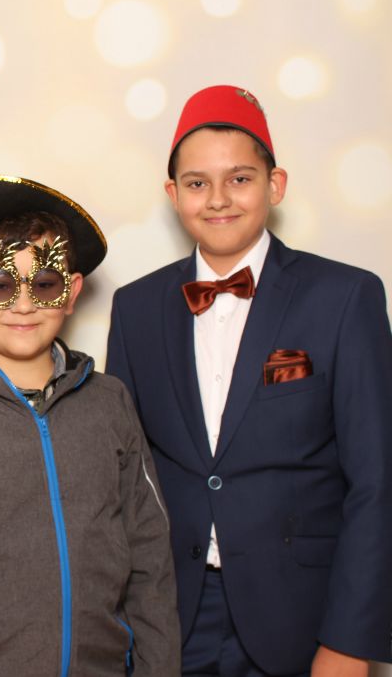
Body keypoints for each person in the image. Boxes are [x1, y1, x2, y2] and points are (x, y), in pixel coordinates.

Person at [106, 85, 392, 676]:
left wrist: (350, 641)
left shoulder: (345, 297)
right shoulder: (135, 308)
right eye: (196, 183)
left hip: (305, 617)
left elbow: (377, 481)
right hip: (170, 615)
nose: (218, 199)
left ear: (274, 184)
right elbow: (125, 475)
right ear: (172, 194)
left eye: (239, 179)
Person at [0, 174, 180, 676]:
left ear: (71, 292)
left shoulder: (109, 402)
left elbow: (151, 558)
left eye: (44, 284)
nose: (24, 304)